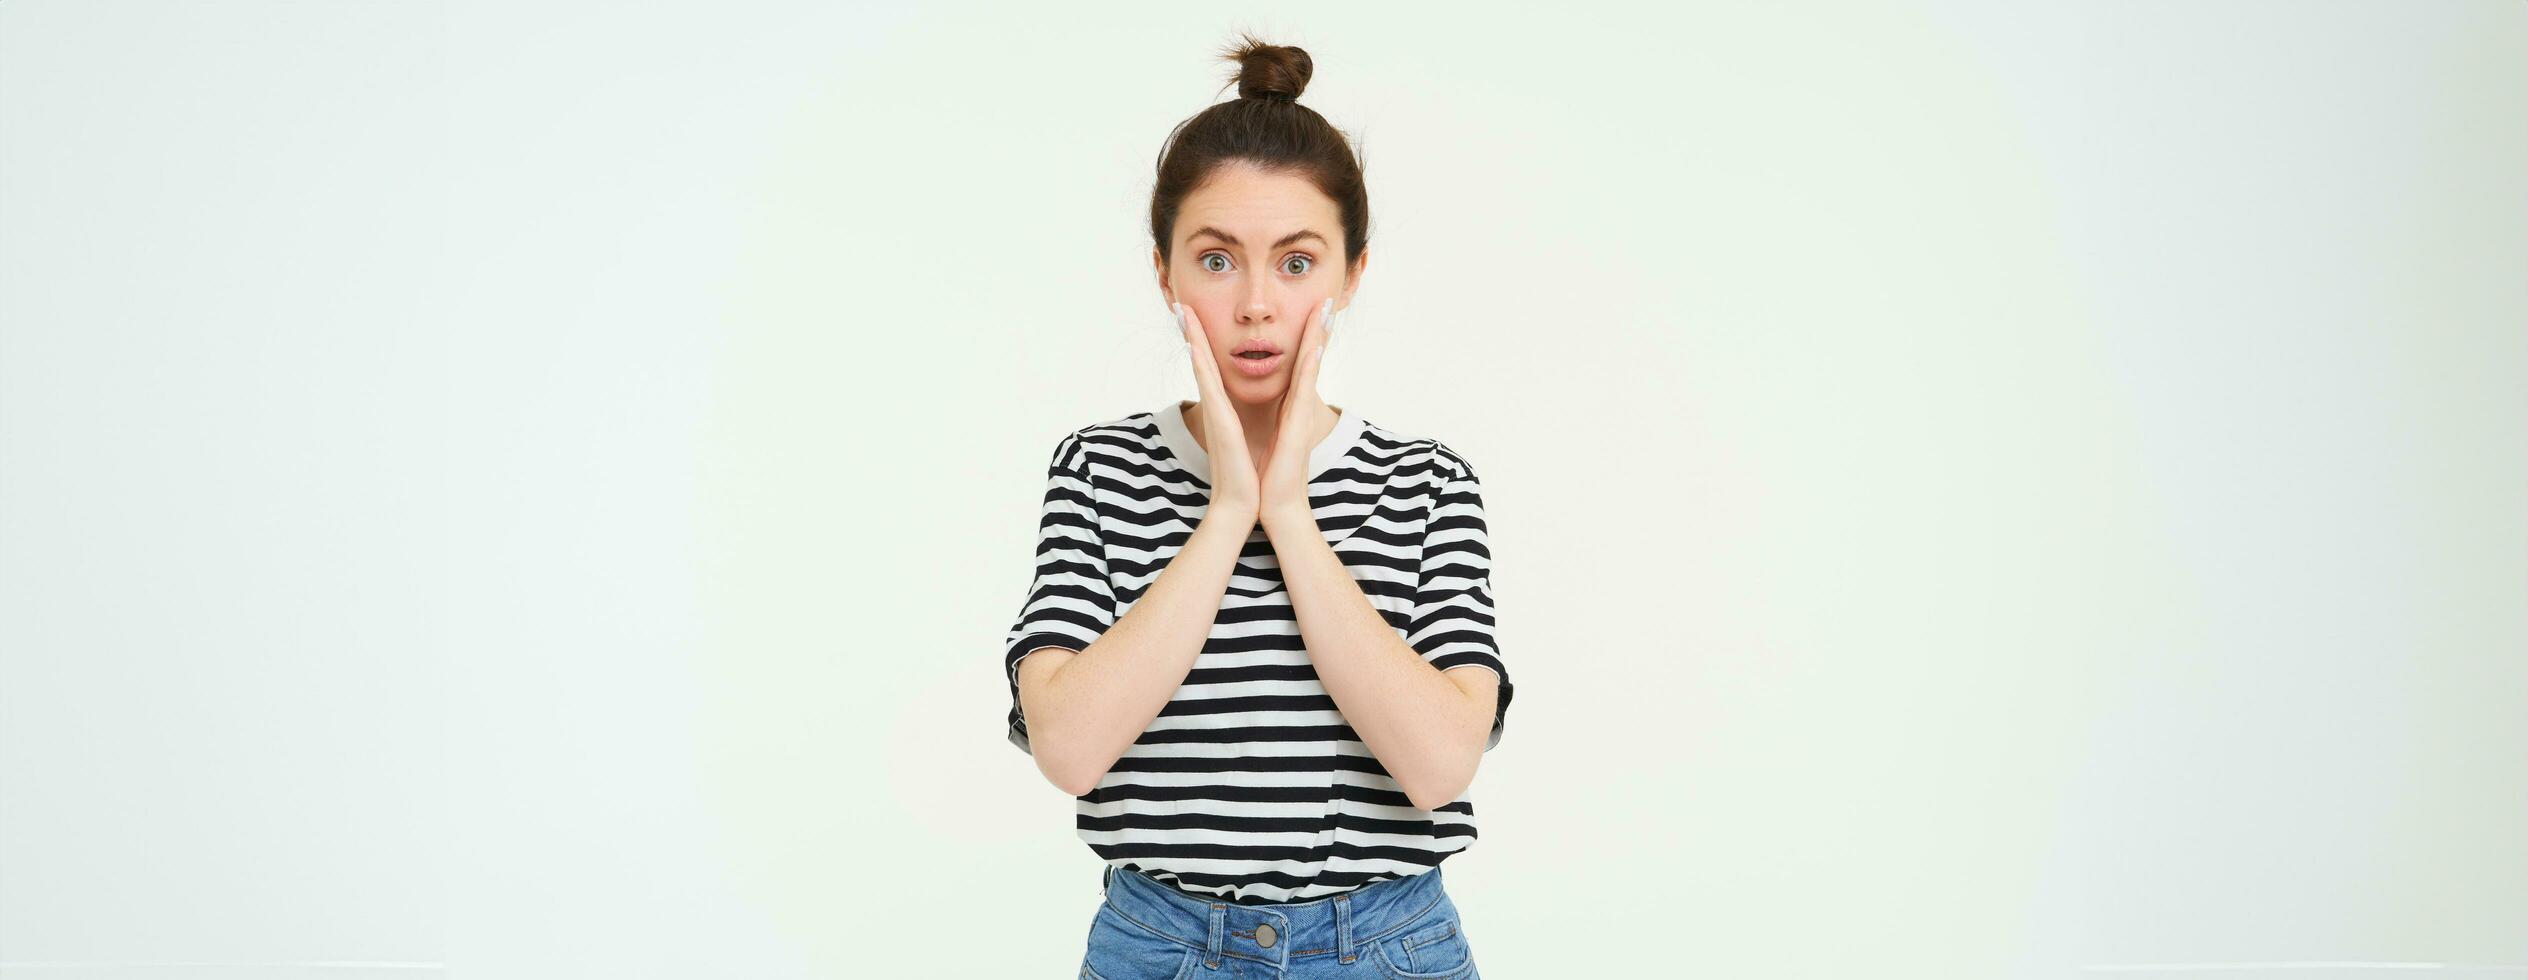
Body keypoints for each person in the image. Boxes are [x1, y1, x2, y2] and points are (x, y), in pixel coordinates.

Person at [1003, 33, 1511, 980]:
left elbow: (1440, 766)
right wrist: (1231, 506)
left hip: (1387, 947)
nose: (1255, 305)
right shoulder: (1100, 469)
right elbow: (1068, 748)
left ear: (1351, 274)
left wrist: (1290, 510)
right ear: (1165, 272)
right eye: (1217, 259)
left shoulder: (1430, 482)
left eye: (1296, 261)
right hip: (1159, 948)